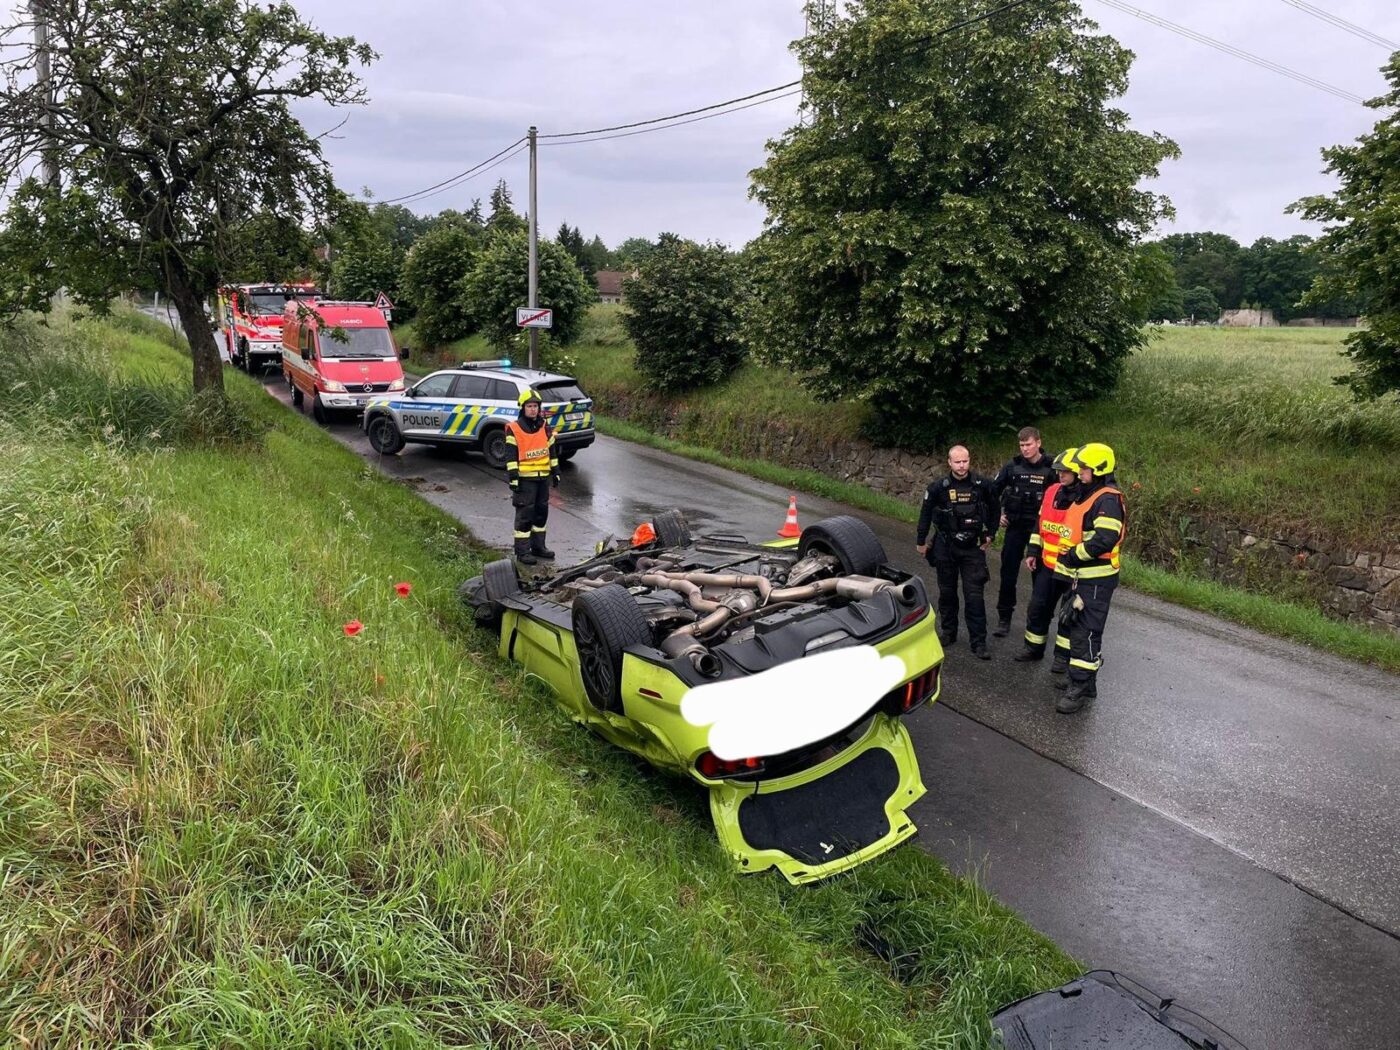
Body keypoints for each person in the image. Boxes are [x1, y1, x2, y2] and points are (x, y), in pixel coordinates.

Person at [1051, 442, 1126, 714]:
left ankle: (1079, 687)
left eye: (1084, 468)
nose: (1080, 472)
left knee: (1086, 633)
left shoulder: (1107, 499)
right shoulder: (1091, 494)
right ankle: (1086, 682)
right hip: (1082, 577)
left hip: (1096, 580)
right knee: (1077, 628)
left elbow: (1105, 539)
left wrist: (1074, 555)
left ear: (1099, 470)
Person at [916, 445, 998, 660]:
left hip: (972, 548)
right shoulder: (937, 488)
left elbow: (995, 508)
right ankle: (948, 633)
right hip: (945, 546)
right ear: (949, 462)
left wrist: (991, 533)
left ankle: (978, 642)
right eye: (957, 462)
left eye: (965, 461)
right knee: (947, 593)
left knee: (974, 596)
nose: (962, 465)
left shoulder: (983, 485)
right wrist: (921, 540)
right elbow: (925, 514)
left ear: (969, 461)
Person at [1013, 448, 1080, 672]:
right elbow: (1039, 524)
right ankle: (1033, 647)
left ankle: (1062, 658)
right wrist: (1032, 551)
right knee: (1038, 607)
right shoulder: (1052, 491)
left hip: (1073, 570)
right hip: (1047, 565)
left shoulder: (1085, 499)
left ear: (1078, 472)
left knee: (1068, 616)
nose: (1061, 475)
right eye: (1059, 471)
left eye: (1066, 471)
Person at [990, 427, 1057, 637]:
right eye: (1021, 445)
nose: (1025, 449)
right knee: (1008, 574)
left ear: (1038, 442)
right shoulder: (1013, 466)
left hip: (1041, 532)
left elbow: (1062, 499)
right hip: (1015, 528)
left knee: (1040, 578)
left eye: (1028, 444)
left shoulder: (1052, 467)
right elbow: (992, 492)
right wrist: (996, 515)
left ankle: (1036, 621)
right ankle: (1004, 618)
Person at [505, 388, 560, 565]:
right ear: (523, 408)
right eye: (529, 406)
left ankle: (539, 547)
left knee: (541, 513)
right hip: (525, 480)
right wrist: (513, 478)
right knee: (525, 514)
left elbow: (551, 451)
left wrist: (556, 472)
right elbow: (511, 456)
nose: (533, 409)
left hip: (542, 478)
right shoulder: (514, 429)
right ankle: (522, 551)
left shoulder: (544, 426)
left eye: (535, 406)